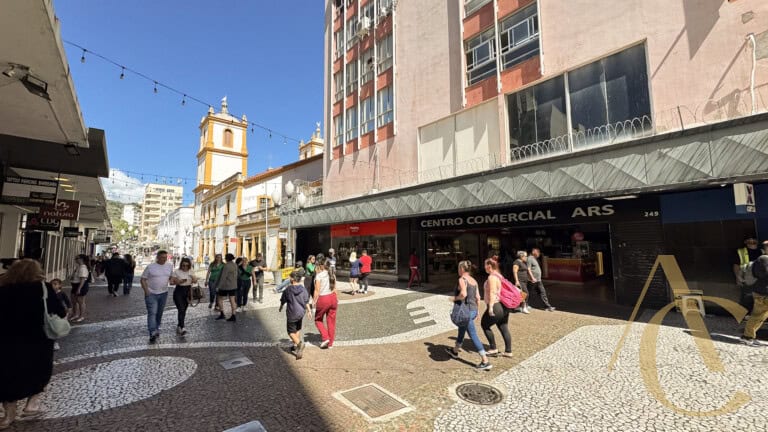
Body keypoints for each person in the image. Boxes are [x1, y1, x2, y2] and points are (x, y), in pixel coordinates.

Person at [0, 259, 67, 429]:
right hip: (39, 340)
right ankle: (32, 403)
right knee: (38, 371)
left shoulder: (4, 288)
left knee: (8, 374)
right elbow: (60, 310)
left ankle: (8, 414)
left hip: (8, 339)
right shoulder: (42, 288)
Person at [446, 260, 492, 370]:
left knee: (473, 335)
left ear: (462, 269)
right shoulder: (474, 280)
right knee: (462, 329)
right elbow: (477, 297)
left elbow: (463, 294)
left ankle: (485, 360)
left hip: (465, 311)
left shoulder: (462, 280)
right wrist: (477, 311)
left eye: (458, 268)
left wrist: (455, 298)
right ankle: (455, 351)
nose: (458, 270)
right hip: (473, 310)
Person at [481, 257, 513, 359]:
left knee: (484, 324)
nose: (484, 267)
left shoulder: (492, 277)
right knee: (503, 327)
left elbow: (493, 292)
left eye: (485, 265)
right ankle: (508, 351)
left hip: (496, 305)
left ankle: (493, 348)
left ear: (489, 266)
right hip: (504, 306)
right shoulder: (499, 275)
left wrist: (490, 307)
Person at [140, 250, 173, 344]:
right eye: (162, 257)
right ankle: (152, 332)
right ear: (157, 257)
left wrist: (176, 281)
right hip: (151, 293)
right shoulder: (150, 267)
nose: (164, 259)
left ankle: (157, 327)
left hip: (163, 293)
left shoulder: (169, 266)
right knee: (152, 312)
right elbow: (143, 279)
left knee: (159, 312)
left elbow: (170, 278)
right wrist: (146, 291)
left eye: (165, 257)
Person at [279, 270, 311, 360]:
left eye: (290, 277)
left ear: (292, 279)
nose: (289, 278)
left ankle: (299, 344)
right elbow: (306, 301)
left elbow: (283, 300)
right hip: (301, 313)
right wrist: (309, 311)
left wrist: (281, 307)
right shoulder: (303, 289)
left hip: (292, 313)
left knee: (290, 332)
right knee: (297, 328)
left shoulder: (288, 290)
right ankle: (295, 347)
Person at [741, 240, 768, 346]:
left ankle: (748, 336)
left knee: (759, 315)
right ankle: (747, 336)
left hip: (761, 292)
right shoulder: (763, 259)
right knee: (758, 315)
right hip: (764, 293)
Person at [313, 256, 338, 349]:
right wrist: (336, 299)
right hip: (333, 298)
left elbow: (317, 291)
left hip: (324, 298)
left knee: (318, 319)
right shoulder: (332, 274)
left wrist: (314, 302)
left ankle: (325, 337)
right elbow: (335, 289)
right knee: (331, 321)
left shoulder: (319, 276)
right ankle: (331, 343)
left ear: (321, 265)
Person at [734, 236, 761, 313]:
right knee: (747, 298)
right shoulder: (741, 252)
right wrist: (738, 277)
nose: (752, 241)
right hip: (746, 279)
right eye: (749, 240)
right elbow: (736, 265)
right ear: (745, 242)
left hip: (759, 279)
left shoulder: (761, 251)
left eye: (753, 240)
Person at [171, 258, 197, 336]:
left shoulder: (191, 271)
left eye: (187, 265)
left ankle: (179, 324)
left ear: (189, 265)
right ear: (181, 264)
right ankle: (182, 327)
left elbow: (195, 281)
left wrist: (192, 277)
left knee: (183, 310)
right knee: (181, 309)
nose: (185, 267)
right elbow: (171, 282)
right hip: (179, 291)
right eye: (183, 265)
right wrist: (178, 282)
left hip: (188, 291)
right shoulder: (176, 271)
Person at [215, 253, 239, 322]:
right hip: (233, 285)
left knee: (219, 298)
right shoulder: (235, 265)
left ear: (226, 258)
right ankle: (233, 315)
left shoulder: (226, 266)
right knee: (232, 300)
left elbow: (223, 277)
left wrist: (218, 286)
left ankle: (222, 313)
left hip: (225, 286)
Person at [50, 278, 70, 351]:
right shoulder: (49, 293)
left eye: (55, 284)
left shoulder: (62, 293)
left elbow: (67, 301)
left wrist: (68, 308)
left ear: (59, 285)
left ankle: (55, 342)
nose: (53, 286)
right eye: (52, 284)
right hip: (51, 313)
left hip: (60, 313)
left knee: (57, 328)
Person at [68, 254, 90, 323]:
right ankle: (75, 314)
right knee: (73, 301)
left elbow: (82, 280)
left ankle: (81, 316)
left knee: (81, 302)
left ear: (81, 259)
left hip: (80, 286)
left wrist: (79, 289)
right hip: (75, 286)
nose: (75, 259)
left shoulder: (83, 268)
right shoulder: (78, 267)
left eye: (77, 258)